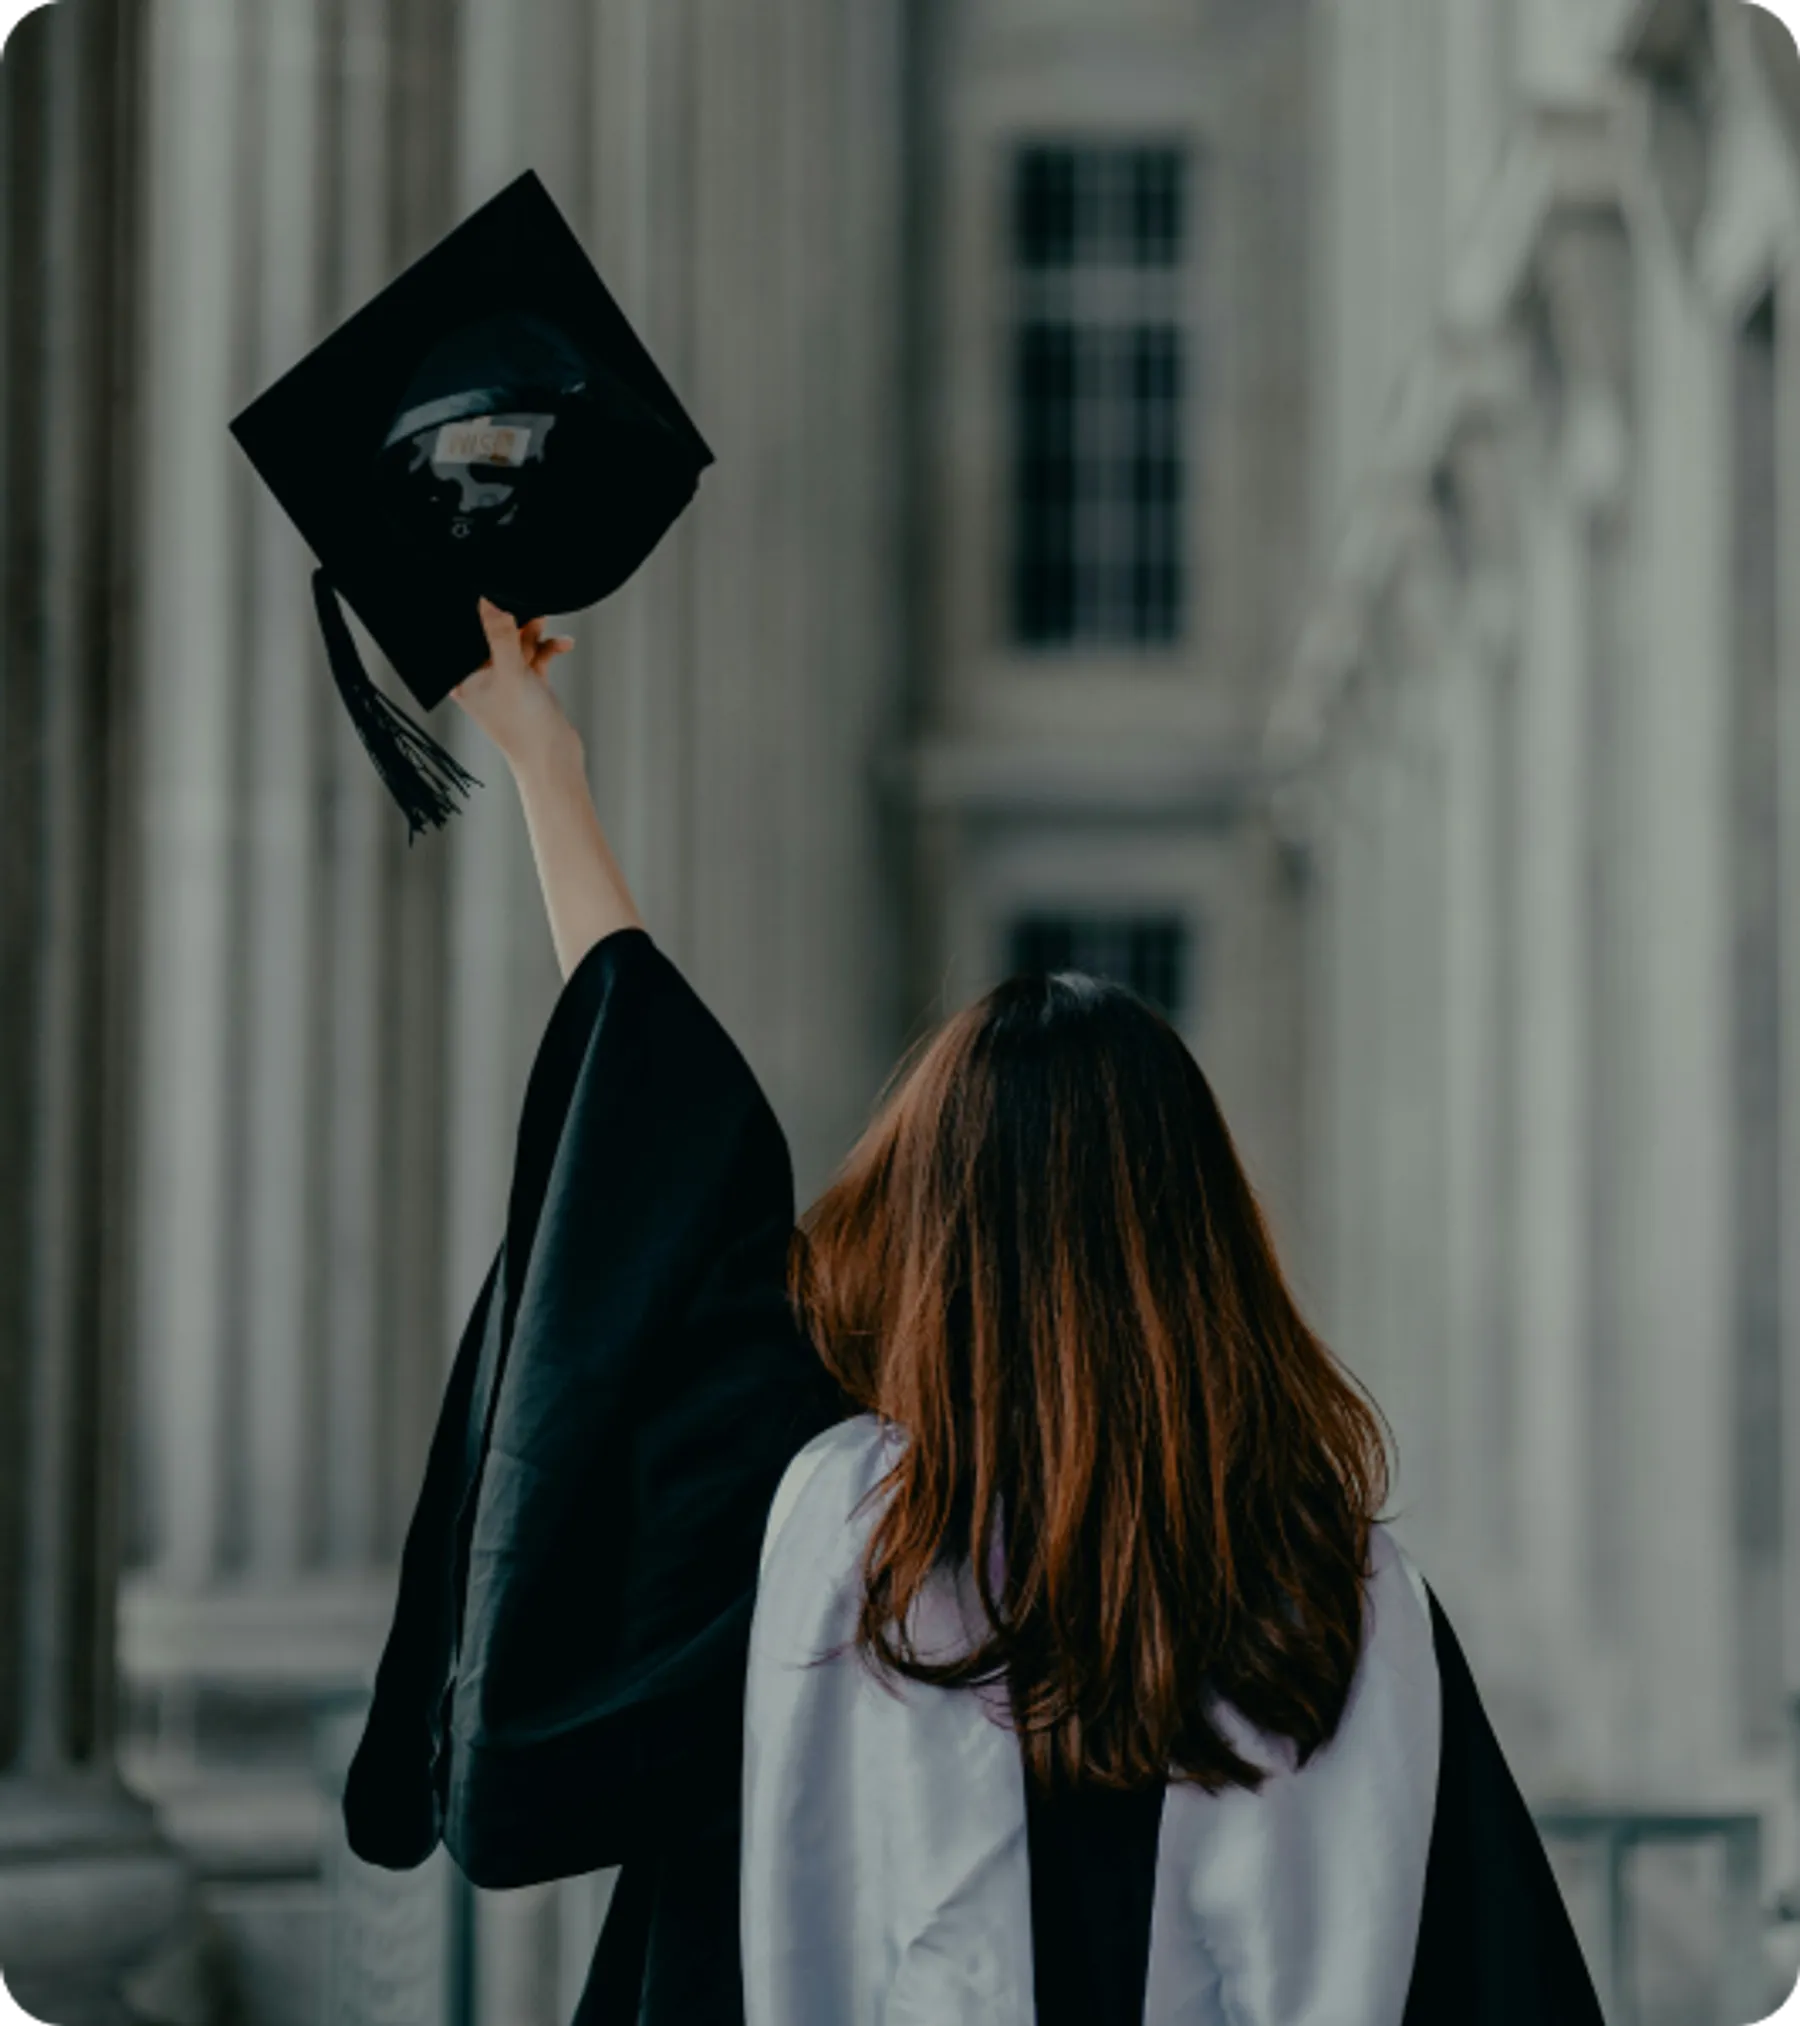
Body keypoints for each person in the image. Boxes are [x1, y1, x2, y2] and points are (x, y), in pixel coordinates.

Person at [344, 597, 1606, 2026]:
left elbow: (654, 1161)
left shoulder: (822, 1560)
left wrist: (544, 762)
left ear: (927, 1240)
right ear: (1207, 1251)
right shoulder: (1347, 1611)